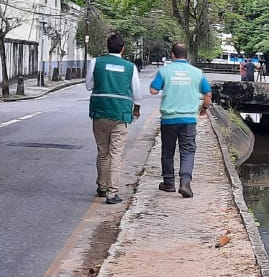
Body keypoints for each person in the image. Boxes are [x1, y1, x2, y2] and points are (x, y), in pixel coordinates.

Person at [86, 33, 144, 204]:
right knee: (116, 154)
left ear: (107, 46)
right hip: (121, 115)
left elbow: (88, 85)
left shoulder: (95, 62)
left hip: (99, 112)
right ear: (123, 48)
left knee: (102, 152)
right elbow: (137, 94)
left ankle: (101, 187)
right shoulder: (130, 67)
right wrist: (137, 110)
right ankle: (112, 193)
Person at [150, 41, 212, 198]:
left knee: (167, 151)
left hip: (169, 119)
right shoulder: (197, 73)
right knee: (188, 151)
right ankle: (185, 182)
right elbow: (208, 94)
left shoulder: (165, 71)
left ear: (172, 54)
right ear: (187, 55)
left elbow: (153, 90)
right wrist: (204, 108)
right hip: (189, 119)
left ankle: (169, 182)